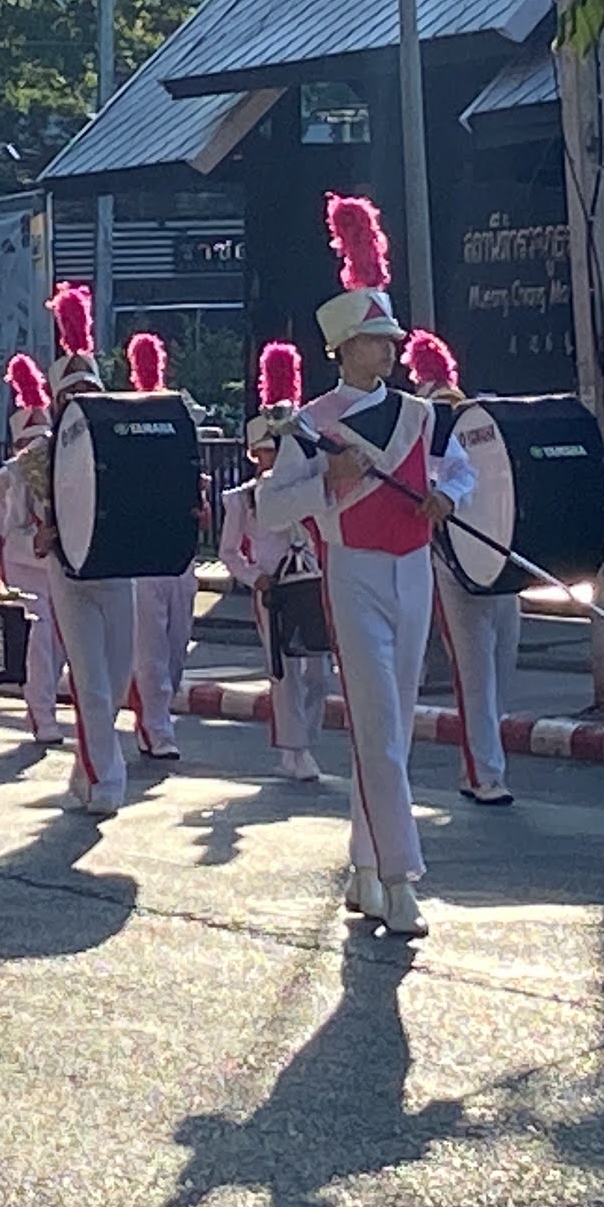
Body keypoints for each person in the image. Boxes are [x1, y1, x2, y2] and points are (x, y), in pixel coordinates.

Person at [259, 195, 474, 940]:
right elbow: (271, 508)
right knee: (379, 727)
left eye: (390, 340)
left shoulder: (420, 414)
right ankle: (401, 877)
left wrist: (446, 496)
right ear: (345, 348)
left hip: (414, 573)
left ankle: (363, 862)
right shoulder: (311, 425)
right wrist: (330, 479)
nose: (389, 351)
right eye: (377, 341)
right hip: (350, 572)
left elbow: (462, 469)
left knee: (393, 730)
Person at [38, 284, 139, 816]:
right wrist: (37, 535)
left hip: (118, 571)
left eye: (88, 388)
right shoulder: (38, 457)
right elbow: (4, 512)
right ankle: (108, 783)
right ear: (57, 402)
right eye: (70, 391)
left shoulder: (124, 443)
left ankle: (86, 769)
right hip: (70, 576)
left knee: (117, 682)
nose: (80, 398)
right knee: (93, 685)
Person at [409, 331, 517, 807]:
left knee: (486, 672)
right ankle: (483, 772)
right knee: (486, 673)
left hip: (476, 556)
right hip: (476, 555)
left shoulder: (440, 418)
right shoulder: (456, 416)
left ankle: (481, 770)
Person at [221, 343, 333, 784]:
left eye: (279, 449)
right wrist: (255, 578)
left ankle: (307, 737)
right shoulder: (243, 500)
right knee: (284, 672)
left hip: (313, 582)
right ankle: (293, 748)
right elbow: (229, 552)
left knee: (320, 671)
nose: (274, 458)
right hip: (274, 589)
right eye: (267, 452)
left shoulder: (306, 485)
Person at [0, 355, 64, 749]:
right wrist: (33, 542)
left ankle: (48, 707)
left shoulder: (65, 471)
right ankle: (42, 716)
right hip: (24, 572)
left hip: (62, 571)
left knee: (61, 648)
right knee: (39, 646)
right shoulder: (6, 480)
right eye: (29, 445)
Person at [119, 331, 195, 764]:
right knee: (150, 651)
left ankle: (158, 716)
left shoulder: (181, 437)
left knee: (176, 647)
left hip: (180, 555)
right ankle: (156, 726)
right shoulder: (126, 438)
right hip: (143, 554)